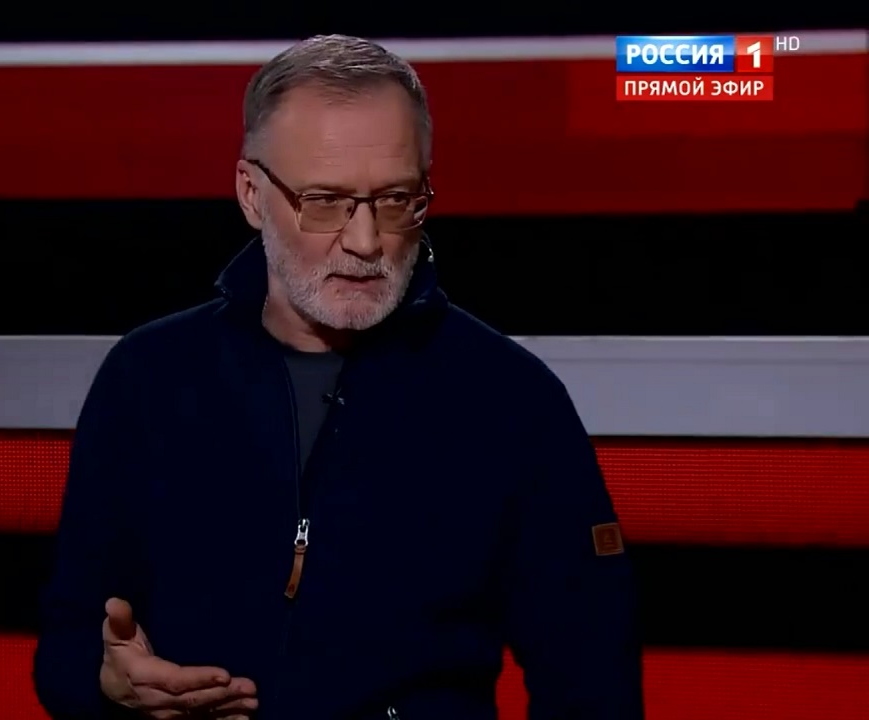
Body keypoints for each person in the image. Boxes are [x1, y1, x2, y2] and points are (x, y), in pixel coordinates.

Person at [33, 34, 644, 719]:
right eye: (324, 202)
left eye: (395, 200)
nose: (364, 242)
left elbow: (594, 684)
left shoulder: (512, 401)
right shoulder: (147, 378)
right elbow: (66, 645)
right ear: (251, 194)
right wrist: (106, 684)